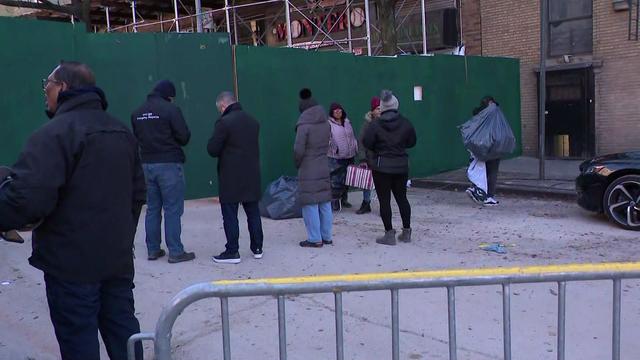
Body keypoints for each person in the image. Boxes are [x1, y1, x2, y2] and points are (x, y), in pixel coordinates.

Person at [0, 61, 145, 359]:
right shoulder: (121, 133)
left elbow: (27, 200)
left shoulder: (53, 135)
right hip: (116, 260)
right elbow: (137, 195)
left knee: (79, 344)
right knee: (125, 337)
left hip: (70, 268)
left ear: (63, 87)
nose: (45, 91)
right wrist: (121, 239)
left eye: (48, 84)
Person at [131, 80, 195, 263]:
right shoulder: (171, 110)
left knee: (152, 208)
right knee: (172, 209)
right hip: (169, 164)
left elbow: (137, 138)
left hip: (146, 164)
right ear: (169, 95)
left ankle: (153, 249)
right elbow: (184, 137)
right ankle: (175, 251)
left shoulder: (137, 113)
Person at [207, 91, 264, 263]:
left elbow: (213, 149)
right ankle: (258, 248)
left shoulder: (224, 123)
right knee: (253, 212)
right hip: (251, 174)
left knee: (230, 214)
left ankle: (232, 251)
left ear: (223, 106)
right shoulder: (253, 121)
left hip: (230, 176)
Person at [362, 90, 417, 246]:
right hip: (401, 166)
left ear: (383, 106)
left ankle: (389, 234)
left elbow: (367, 142)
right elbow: (412, 141)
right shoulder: (405, 122)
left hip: (382, 167)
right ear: (396, 105)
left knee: (384, 201)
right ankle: (406, 232)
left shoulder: (375, 125)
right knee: (402, 198)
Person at [295, 88, 333, 248]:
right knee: (324, 201)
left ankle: (314, 238)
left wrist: (298, 163)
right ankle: (327, 236)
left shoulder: (304, 126)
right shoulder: (326, 124)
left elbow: (298, 149)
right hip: (324, 165)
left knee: (310, 203)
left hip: (308, 167)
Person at [466, 96, 507, 206]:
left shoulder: (478, 114)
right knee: (492, 171)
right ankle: (488, 196)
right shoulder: (494, 114)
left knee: (481, 169)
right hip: (492, 146)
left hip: (480, 145)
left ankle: (476, 189)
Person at [327, 102, 358, 211]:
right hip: (336, 157)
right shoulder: (328, 124)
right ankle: (335, 202)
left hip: (349, 155)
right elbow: (327, 139)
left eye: (339, 110)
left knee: (347, 179)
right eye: (335, 110)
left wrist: (355, 146)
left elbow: (352, 136)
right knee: (335, 181)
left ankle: (344, 199)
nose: (338, 112)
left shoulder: (347, 122)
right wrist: (335, 148)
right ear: (332, 112)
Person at [356, 96, 381, 215]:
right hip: (370, 159)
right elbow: (361, 142)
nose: (379, 111)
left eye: (381, 108)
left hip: (383, 159)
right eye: (377, 108)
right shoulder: (367, 125)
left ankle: (384, 206)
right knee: (366, 182)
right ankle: (366, 203)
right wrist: (362, 159)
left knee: (383, 183)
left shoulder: (386, 123)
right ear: (372, 111)